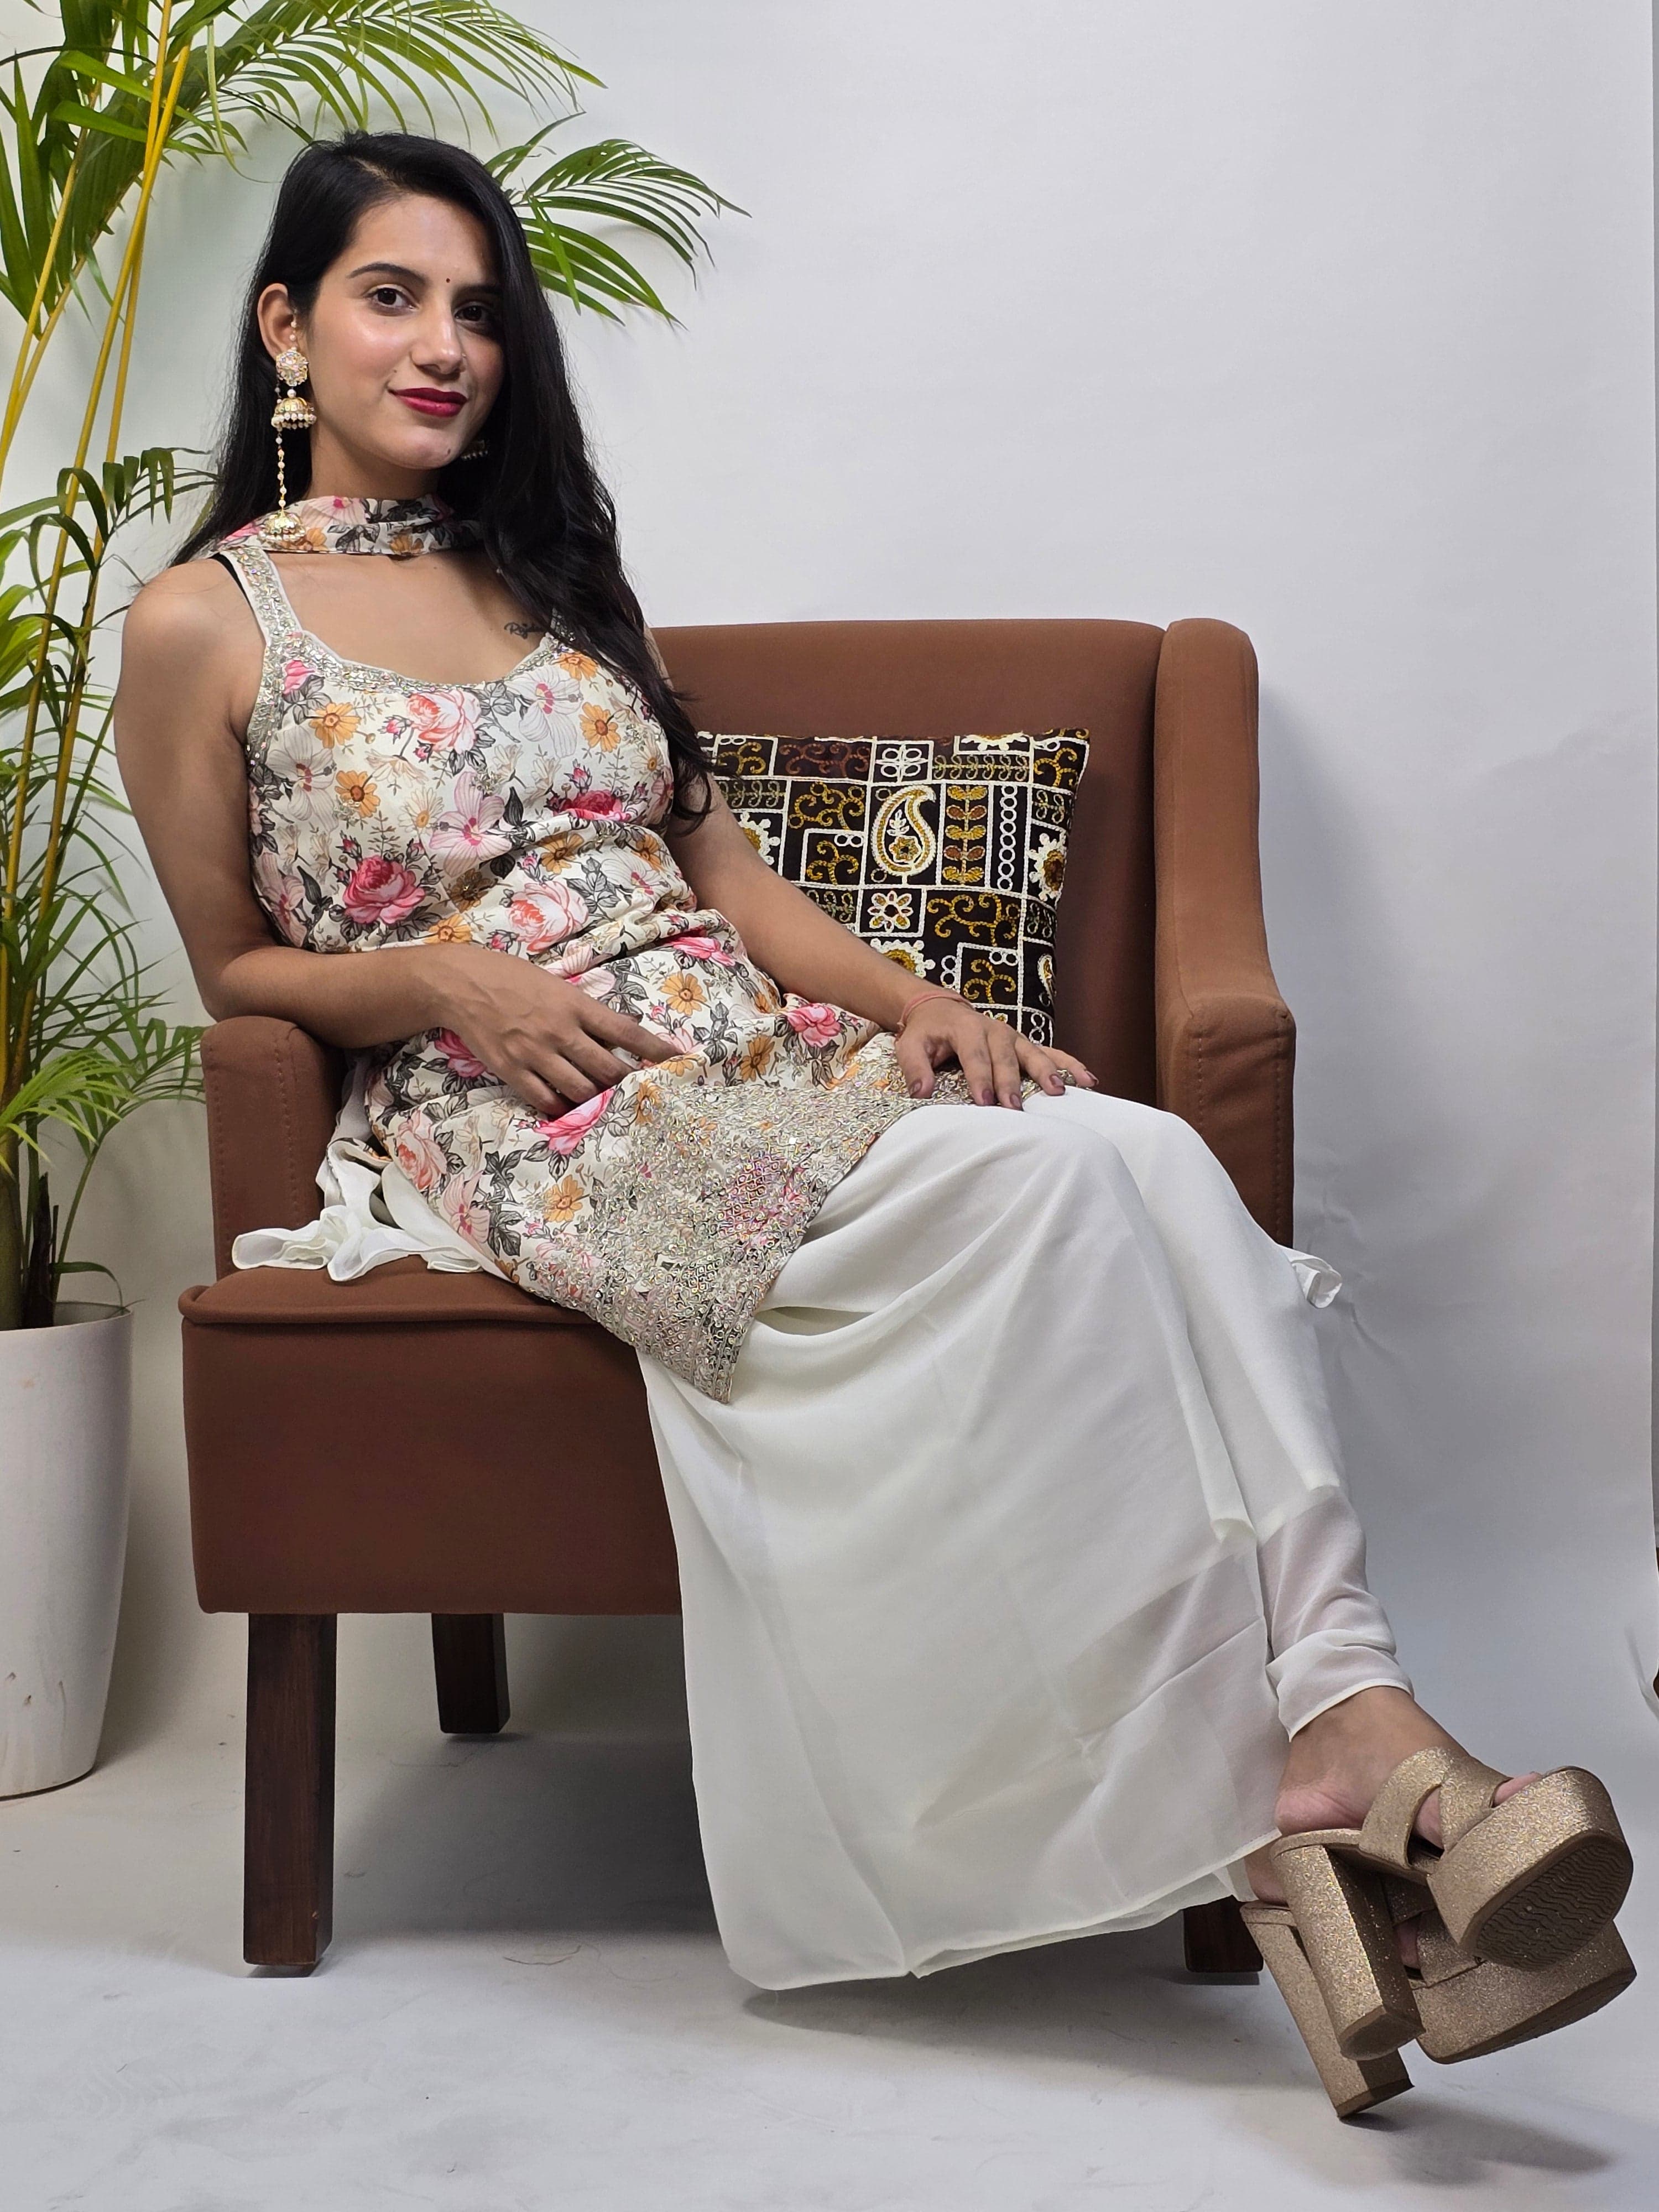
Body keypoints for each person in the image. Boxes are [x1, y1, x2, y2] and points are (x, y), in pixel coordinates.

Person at [112, 132, 1632, 2116]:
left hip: (747, 1047)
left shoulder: (552, 568)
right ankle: (1345, 1781)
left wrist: (918, 1003)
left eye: (478, 307)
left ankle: (1344, 1731)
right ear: (283, 327)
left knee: (1139, 1151)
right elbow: (237, 968)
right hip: (526, 1118)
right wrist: (433, 984)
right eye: (390, 297)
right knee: (1086, 1186)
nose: (445, 345)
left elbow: (722, 871)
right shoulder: (202, 625)